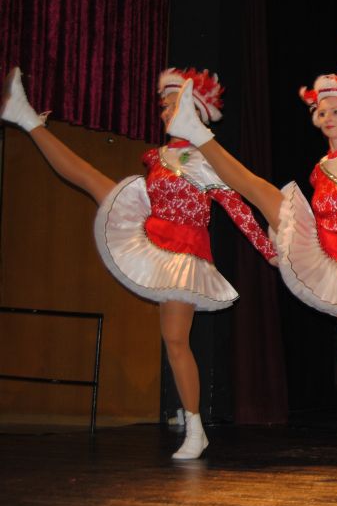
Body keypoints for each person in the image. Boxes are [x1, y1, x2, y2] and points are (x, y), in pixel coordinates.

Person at [165, 73, 337, 468]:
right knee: (258, 190)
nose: (328, 117)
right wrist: (279, 246)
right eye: (323, 111)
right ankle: (198, 135)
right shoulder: (321, 168)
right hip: (322, 253)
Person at [1, 66, 277, 460]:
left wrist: (269, 250)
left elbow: (237, 207)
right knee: (90, 178)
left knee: (175, 340)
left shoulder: (205, 158)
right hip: (151, 232)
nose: (164, 111)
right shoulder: (163, 156)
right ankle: (25, 117)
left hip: (184, 253)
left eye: (172, 104)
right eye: (163, 105)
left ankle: (195, 428)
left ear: (195, 109)